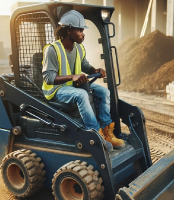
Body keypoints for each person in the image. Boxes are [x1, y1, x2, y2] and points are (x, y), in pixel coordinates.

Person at [42, 10, 125, 150]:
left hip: (73, 86)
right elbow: (48, 78)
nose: (83, 33)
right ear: (69, 30)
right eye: (80, 30)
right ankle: (95, 133)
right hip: (56, 90)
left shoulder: (79, 48)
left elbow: (84, 65)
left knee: (104, 92)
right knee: (82, 95)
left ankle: (107, 131)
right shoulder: (52, 50)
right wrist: (72, 77)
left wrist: (95, 71)